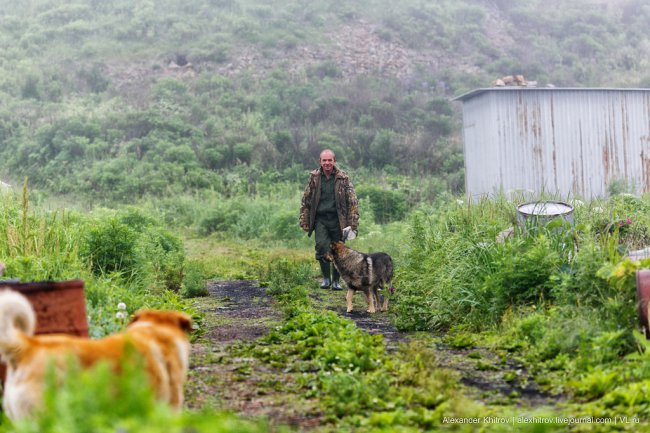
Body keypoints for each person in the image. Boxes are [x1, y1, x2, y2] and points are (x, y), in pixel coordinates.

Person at [300, 149, 359, 290]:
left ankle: (336, 281)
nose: (327, 163)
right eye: (324, 160)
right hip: (320, 219)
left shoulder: (343, 178)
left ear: (334, 161)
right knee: (321, 246)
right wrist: (304, 219)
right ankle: (326, 278)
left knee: (339, 250)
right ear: (320, 161)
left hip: (339, 220)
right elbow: (306, 200)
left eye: (329, 160)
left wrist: (353, 223)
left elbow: (353, 202)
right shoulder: (314, 177)